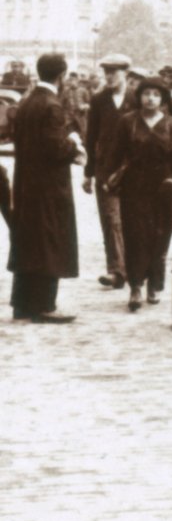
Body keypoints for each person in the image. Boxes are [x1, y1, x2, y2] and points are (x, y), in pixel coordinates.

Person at [7, 52, 85, 323]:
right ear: (62, 76)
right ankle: (44, 305)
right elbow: (55, 148)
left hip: (26, 184)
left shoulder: (27, 102)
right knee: (50, 242)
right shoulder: (52, 106)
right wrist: (74, 144)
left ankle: (22, 304)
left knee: (28, 242)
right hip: (49, 187)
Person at [108, 77, 172, 312]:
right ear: (139, 97)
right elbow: (115, 154)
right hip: (134, 186)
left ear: (162, 99)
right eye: (146, 94)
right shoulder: (128, 122)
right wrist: (109, 177)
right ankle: (135, 286)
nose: (150, 98)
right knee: (135, 235)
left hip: (165, 186)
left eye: (155, 94)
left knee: (160, 234)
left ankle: (154, 284)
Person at [83, 51, 133, 289]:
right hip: (106, 168)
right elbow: (91, 136)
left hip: (134, 169)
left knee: (131, 218)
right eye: (106, 72)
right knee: (111, 219)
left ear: (126, 73)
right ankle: (116, 270)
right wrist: (88, 173)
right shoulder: (99, 99)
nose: (109, 76)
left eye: (114, 72)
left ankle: (134, 267)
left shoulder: (137, 98)